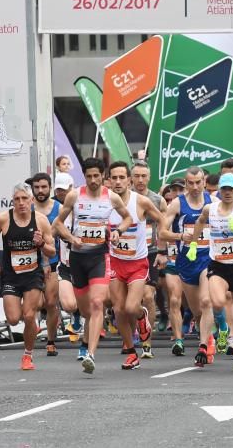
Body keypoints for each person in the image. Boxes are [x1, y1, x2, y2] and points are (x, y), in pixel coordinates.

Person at [52, 158, 132, 374]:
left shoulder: (111, 197)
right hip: (77, 259)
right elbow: (58, 223)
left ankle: (90, 354)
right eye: (89, 176)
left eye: (97, 176)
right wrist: (70, 238)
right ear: (84, 177)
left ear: (102, 176)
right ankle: (88, 336)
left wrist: (118, 231)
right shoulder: (74, 195)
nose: (94, 180)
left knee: (97, 303)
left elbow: (127, 218)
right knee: (87, 310)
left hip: (99, 256)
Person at [188, 173, 233, 371]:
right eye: (224, 189)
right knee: (217, 302)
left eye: (231, 189)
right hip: (218, 264)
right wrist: (194, 243)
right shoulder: (210, 209)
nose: (228, 192)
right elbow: (200, 222)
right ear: (219, 190)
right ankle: (222, 330)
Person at [0, 183, 56, 370]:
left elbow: (52, 251)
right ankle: (32, 328)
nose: (21, 203)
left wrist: (41, 244)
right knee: (12, 319)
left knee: (28, 315)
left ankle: (28, 355)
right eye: (17, 199)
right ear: (13, 201)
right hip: (11, 275)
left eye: (25, 198)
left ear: (32, 200)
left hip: (33, 275)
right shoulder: (4, 219)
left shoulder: (41, 220)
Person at [106, 162, 165, 370]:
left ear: (129, 181)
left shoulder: (141, 201)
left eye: (122, 177)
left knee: (131, 307)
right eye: (114, 178)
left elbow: (162, 220)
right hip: (115, 262)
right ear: (109, 181)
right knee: (119, 310)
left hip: (138, 263)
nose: (118, 182)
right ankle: (131, 353)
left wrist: (163, 249)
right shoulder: (104, 202)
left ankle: (142, 316)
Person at [159, 167, 217, 366]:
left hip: (208, 260)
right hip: (186, 262)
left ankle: (203, 345)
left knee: (206, 302)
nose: (194, 187)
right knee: (197, 310)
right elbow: (162, 233)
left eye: (198, 182)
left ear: (204, 182)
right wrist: (179, 236)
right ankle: (208, 335)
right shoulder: (177, 204)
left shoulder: (213, 203)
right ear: (186, 183)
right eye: (190, 183)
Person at [131, 161, 169, 358]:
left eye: (143, 176)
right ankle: (130, 338)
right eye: (136, 176)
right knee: (127, 301)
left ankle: (147, 343)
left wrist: (163, 252)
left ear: (149, 177)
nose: (140, 180)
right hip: (127, 253)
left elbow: (164, 227)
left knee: (148, 296)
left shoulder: (158, 200)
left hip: (151, 252)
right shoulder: (124, 199)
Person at [28, 173, 68, 356]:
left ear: (50, 187)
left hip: (52, 262)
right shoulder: (26, 208)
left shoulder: (59, 208)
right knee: (35, 304)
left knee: (52, 303)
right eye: (37, 187)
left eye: (44, 187)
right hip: (30, 264)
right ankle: (35, 327)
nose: (40, 191)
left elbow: (67, 231)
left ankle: (51, 341)